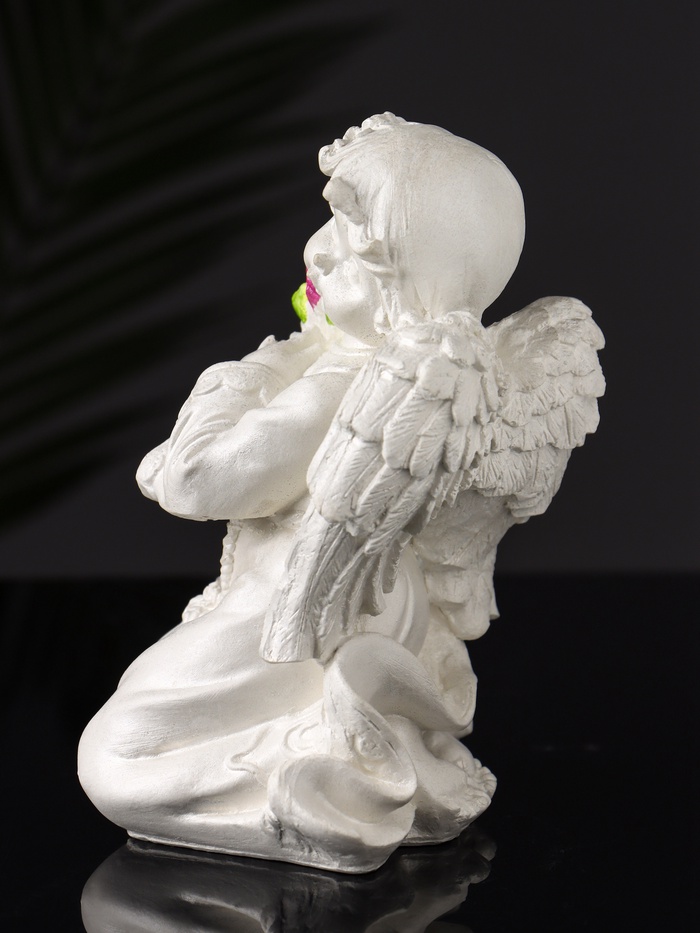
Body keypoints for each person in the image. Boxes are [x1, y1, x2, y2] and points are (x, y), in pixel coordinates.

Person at [79, 114, 597, 873]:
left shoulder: (346, 384)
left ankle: (319, 794)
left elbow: (194, 478)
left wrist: (257, 369)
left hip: (297, 610)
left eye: (351, 243)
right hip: (360, 602)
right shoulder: (397, 374)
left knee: (115, 757)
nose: (316, 250)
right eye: (327, 225)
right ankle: (338, 754)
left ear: (407, 277)